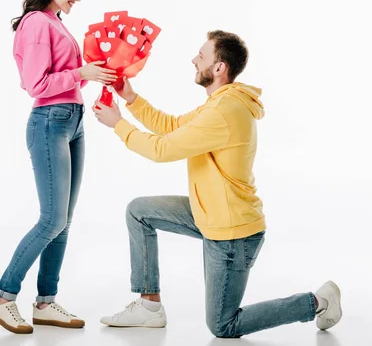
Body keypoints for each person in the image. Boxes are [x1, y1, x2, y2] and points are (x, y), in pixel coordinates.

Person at [92, 30, 342, 338]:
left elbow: (162, 149)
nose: (194, 61)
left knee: (223, 325)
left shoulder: (224, 111)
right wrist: (129, 98)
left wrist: (118, 123)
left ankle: (317, 301)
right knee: (139, 211)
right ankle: (149, 306)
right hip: (209, 214)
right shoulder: (219, 103)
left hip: (232, 233)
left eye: (201, 55)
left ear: (219, 67)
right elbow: (172, 126)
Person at [0, 0, 117, 334]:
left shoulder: (56, 23)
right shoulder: (37, 24)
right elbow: (35, 85)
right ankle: (2, 298)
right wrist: (80, 72)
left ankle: (45, 303)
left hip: (72, 121)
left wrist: (92, 73)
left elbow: (66, 80)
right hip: (50, 123)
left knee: (64, 222)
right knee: (52, 220)